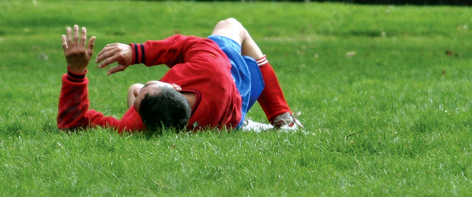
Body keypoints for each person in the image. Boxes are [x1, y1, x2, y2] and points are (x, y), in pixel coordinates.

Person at [58, 19, 302, 133]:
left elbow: (73, 123)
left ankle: (246, 125)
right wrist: (136, 52)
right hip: (235, 93)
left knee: (132, 87)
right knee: (231, 25)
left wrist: (76, 73)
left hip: (221, 118)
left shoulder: (136, 126)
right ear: (174, 87)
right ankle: (282, 117)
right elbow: (187, 45)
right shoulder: (210, 69)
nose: (140, 90)